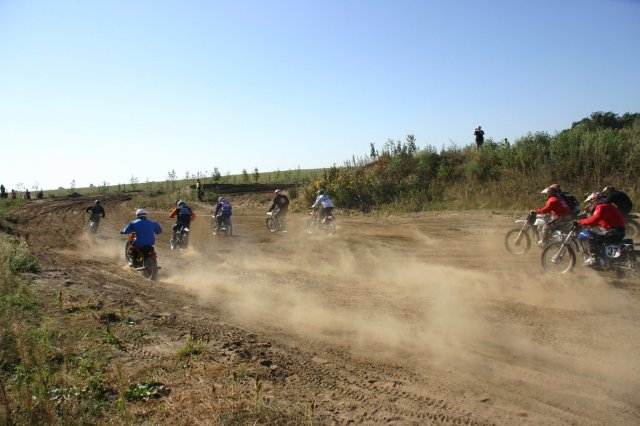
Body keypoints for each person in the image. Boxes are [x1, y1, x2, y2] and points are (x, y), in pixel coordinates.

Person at [578, 192, 625, 266]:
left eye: (590, 202)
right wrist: (589, 224)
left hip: (614, 231)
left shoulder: (602, 206)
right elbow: (601, 221)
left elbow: (594, 219)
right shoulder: (608, 206)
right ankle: (602, 258)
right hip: (617, 230)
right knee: (596, 236)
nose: (590, 204)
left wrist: (580, 222)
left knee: (588, 235)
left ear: (595, 200)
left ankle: (594, 259)